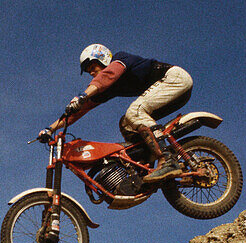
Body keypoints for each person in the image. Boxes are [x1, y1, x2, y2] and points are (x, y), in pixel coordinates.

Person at [40, 44, 193, 183]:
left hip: (174, 79)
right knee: (126, 124)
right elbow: (80, 110)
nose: (92, 73)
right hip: (171, 93)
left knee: (135, 112)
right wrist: (50, 129)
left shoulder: (121, 58)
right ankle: (147, 163)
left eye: (93, 67)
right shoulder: (107, 89)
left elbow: (108, 75)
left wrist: (83, 94)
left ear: (103, 58)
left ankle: (167, 159)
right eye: (88, 71)